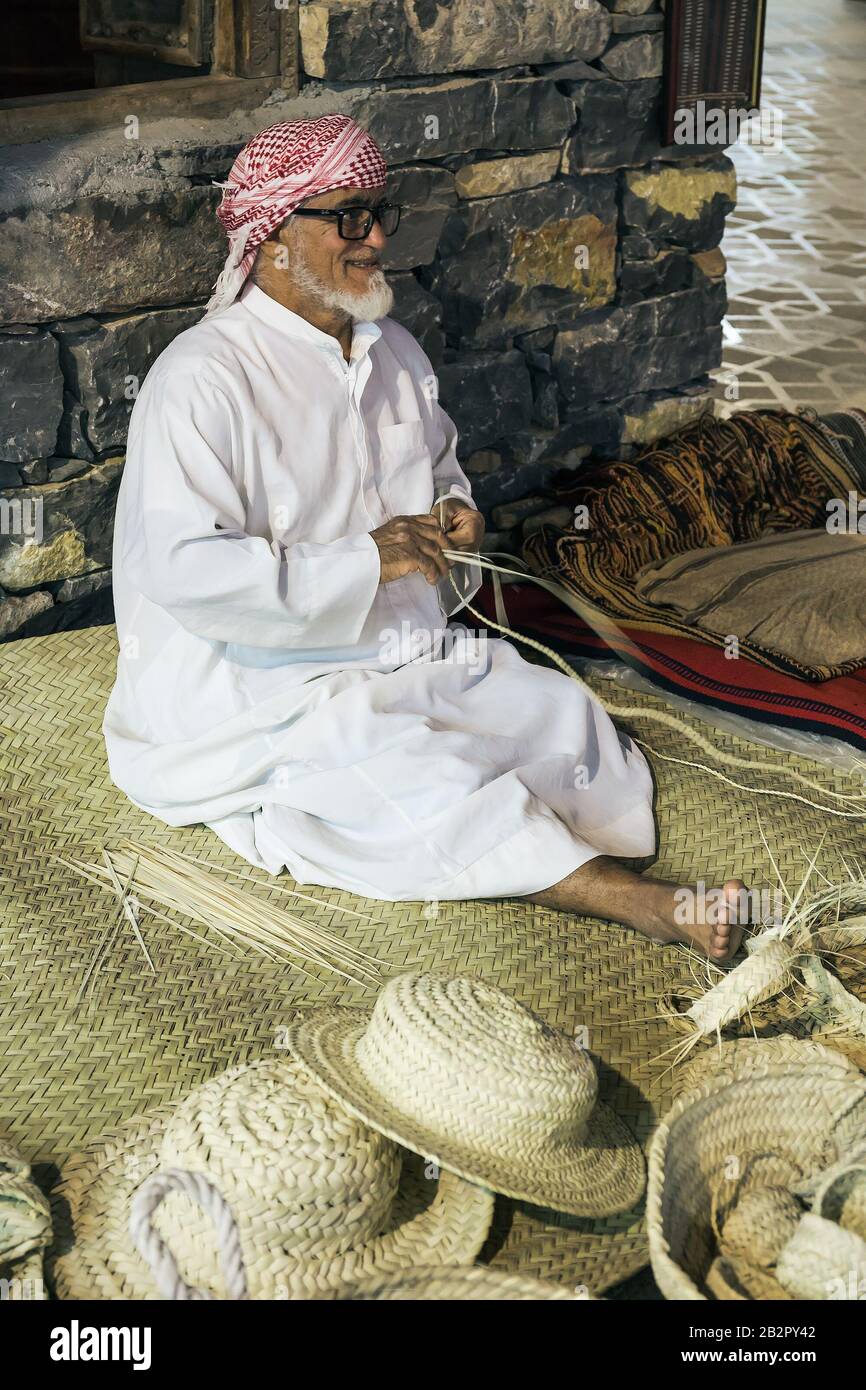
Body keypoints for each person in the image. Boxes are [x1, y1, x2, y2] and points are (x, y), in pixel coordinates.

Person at [104, 114, 745, 962]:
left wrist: (456, 517)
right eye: (347, 216)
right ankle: (651, 908)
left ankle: (539, 845)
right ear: (272, 238)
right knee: (418, 777)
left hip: (399, 651)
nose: (374, 239)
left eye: (378, 213)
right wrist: (368, 558)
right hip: (260, 687)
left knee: (564, 722)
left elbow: (439, 472)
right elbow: (188, 572)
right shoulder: (202, 378)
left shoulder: (394, 351)